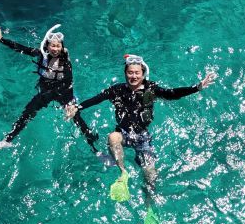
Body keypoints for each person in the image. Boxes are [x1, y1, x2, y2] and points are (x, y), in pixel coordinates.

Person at [65, 54, 216, 200]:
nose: (134, 76)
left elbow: (171, 93)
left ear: (143, 73)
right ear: (125, 74)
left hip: (142, 137)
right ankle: (123, 173)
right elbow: (97, 99)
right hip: (123, 133)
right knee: (112, 137)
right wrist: (77, 107)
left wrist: (196, 88)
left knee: (150, 174)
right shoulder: (116, 90)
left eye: (137, 73)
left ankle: (150, 203)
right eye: (130, 72)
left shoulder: (151, 89)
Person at [0, 24, 100, 156]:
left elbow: (69, 83)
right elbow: (21, 49)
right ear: (47, 46)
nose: (55, 49)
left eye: (58, 46)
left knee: (76, 117)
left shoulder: (65, 63)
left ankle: (93, 145)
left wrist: (69, 104)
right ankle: (7, 141)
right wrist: (2, 39)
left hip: (63, 92)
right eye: (53, 45)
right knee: (27, 113)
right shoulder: (41, 54)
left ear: (62, 47)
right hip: (46, 91)